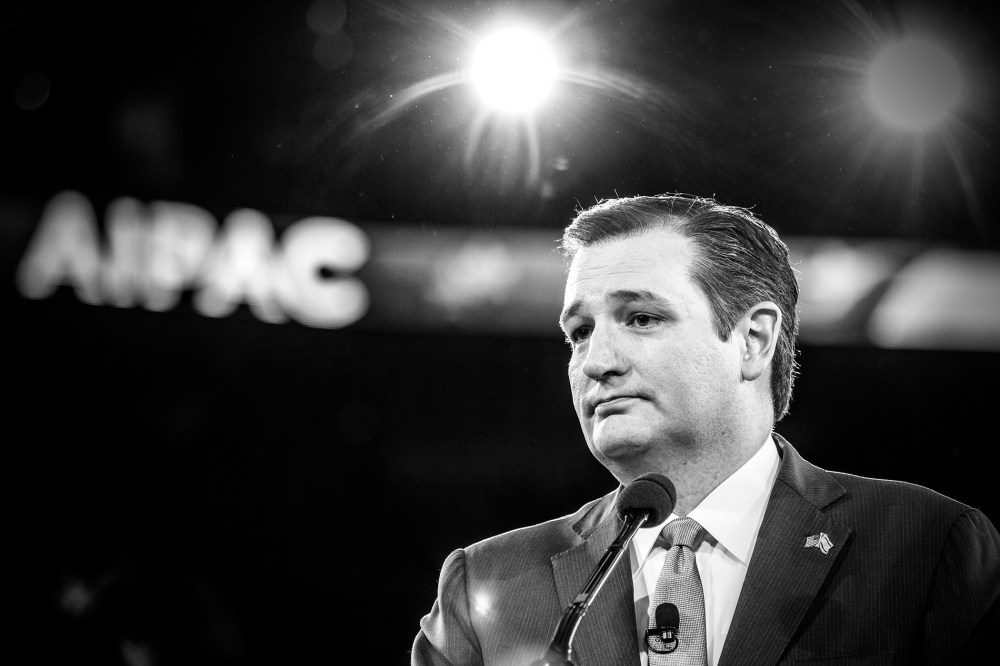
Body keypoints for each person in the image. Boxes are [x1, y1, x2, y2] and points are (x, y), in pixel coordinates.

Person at [410, 193, 1000, 665]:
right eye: (580, 332)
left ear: (753, 341)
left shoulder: (927, 548)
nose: (595, 362)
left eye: (641, 318)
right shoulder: (488, 587)